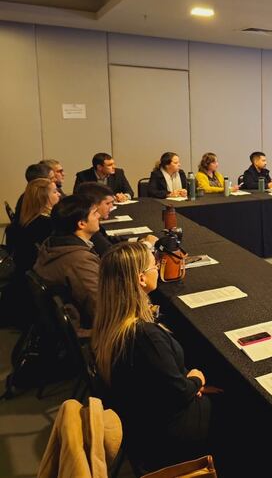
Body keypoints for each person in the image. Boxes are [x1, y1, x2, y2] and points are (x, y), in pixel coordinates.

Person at [92, 242, 212, 471]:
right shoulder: (145, 336)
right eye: (154, 265)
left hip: (142, 420)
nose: (158, 267)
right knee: (240, 410)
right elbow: (178, 392)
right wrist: (196, 380)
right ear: (141, 279)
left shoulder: (111, 322)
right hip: (165, 432)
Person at [33, 195, 101, 328]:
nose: (99, 216)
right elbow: (99, 308)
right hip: (91, 331)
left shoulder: (52, 243)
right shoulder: (79, 260)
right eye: (95, 213)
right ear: (81, 224)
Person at [2, 178, 60, 327]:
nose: (59, 194)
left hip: (25, 282)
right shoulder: (47, 226)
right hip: (43, 286)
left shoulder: (23, 222)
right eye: (54, 191)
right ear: (43, 198)